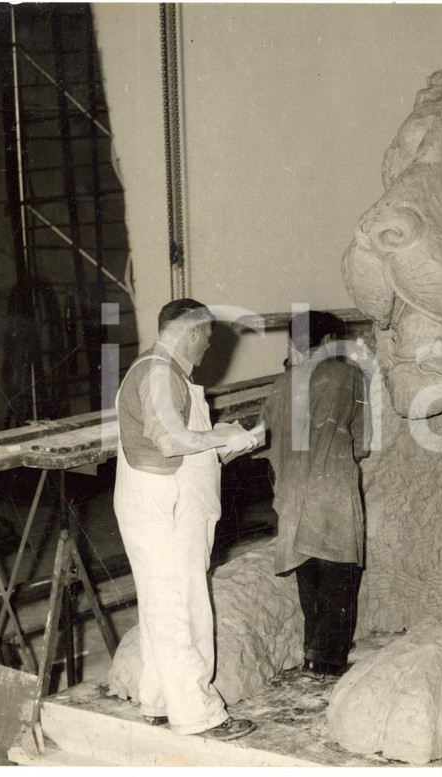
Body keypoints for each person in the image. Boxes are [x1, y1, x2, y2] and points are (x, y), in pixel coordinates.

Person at [114, 298, 258, 741]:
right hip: (164, 507)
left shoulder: (167, 372)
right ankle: (198, 714)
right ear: (190, 331)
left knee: (165, 605)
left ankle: (158, 700)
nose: (208, 346)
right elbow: (171, 444)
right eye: (206, 336)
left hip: (163, 504)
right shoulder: (159, 372)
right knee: (181, 608)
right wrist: (224, 435)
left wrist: (225, 443)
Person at [257, 310, 369, 678]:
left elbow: (269, 438)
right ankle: (330, 661)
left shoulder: (281, 383)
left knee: (310, 572)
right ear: (326, 342)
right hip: (331, 487)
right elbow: (363, 443)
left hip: (290, 491)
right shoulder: (348, 376)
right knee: (339, 574)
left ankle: (312, 653)